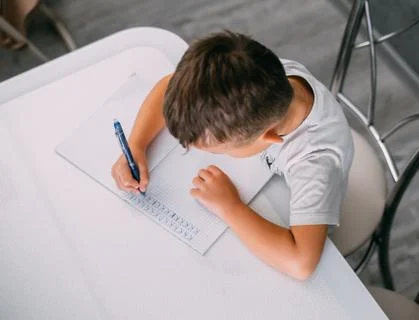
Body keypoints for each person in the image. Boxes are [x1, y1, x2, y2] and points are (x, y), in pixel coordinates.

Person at [111, 30, 353, 280]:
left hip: (311, 215)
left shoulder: (314, 164)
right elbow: (167, 87)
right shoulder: (256, 76)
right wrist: (137, 144)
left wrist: (230, 206)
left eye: (216, 149)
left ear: (267, 139)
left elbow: (301, 263)